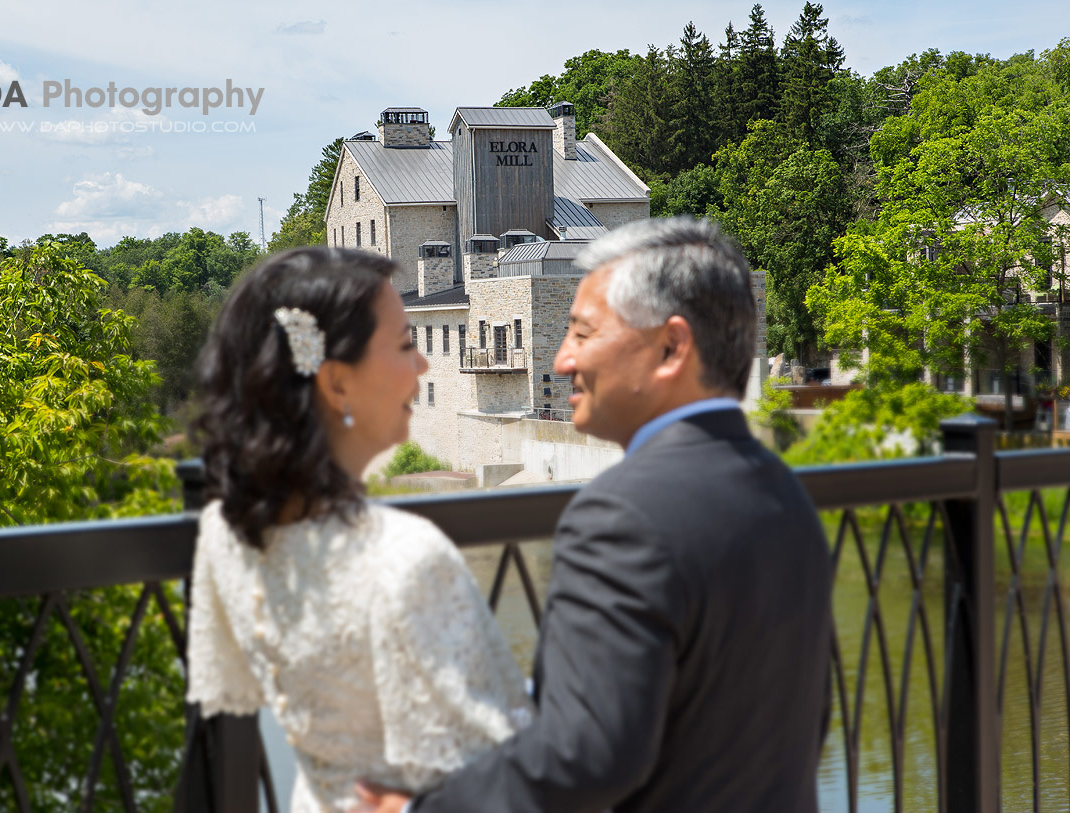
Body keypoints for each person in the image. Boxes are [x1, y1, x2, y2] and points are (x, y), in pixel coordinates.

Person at [357, 217, 832, 813]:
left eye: (581, 333)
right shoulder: (788, 497)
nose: (560, 361)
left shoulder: (623, 515)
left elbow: (584, 757)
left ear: (671, 347)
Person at [187, 246, 531, 813]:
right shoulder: (405, 557)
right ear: (337, 384)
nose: (422, 366)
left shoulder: (227, 536)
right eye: (404, 345)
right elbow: (500, 783)